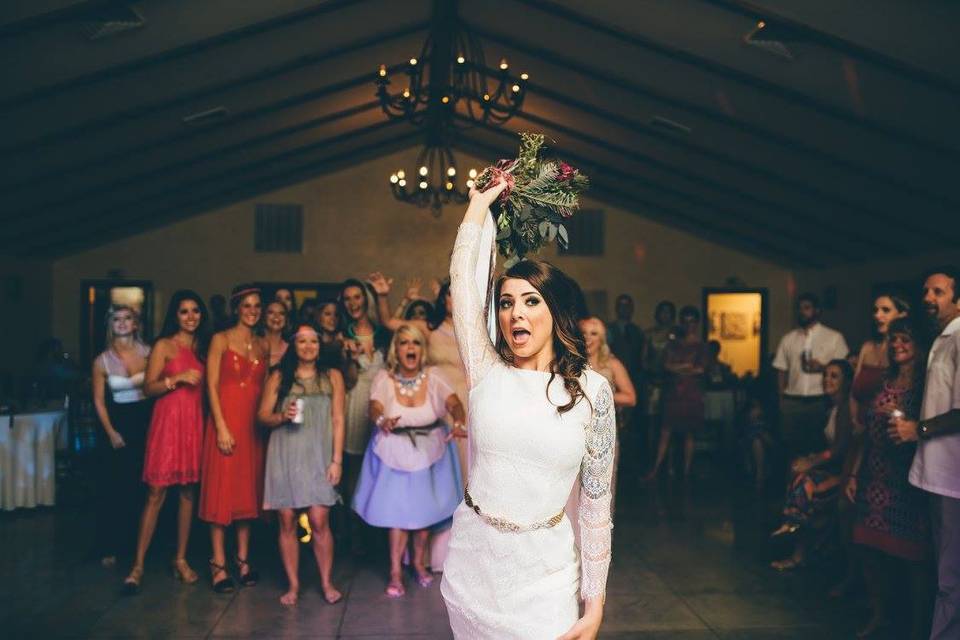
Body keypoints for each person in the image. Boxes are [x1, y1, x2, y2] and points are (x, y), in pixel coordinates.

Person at [440, 181, 613, 639]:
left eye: (531, 301)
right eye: (506, 302)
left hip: (547, 578)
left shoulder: (593, 392)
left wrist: (593, 607)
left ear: (555, 312)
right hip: (472, 568)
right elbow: (463, 282)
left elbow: (596, 506)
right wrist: (478, 205)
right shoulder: (486, 371)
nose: (516, 313)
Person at [352, 323, 465, 597]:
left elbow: (452, 402)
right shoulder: (384, 378)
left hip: (430, 450)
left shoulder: (434, 375)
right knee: (398, 518)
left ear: (421, 349)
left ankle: (417, 563)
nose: (410, 348)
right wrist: (381, 420)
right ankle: (394, 571)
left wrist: (459, 419)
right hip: (394, 451)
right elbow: (374, 406)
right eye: (403, 343)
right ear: (396, 350)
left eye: (414, 343)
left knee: (423, 516)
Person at [846, 319, 929, 639]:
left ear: (918, 344)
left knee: (912, 555)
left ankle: (918, 624)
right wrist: (854, 472)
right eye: (893, 339)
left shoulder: (925, 384)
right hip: (874, 473)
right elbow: (863, 432)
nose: (897, 344)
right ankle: (880, 614)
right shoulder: (883, 380)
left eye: (904, 338)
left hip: (906, 476)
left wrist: (907, 420)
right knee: (868, 546)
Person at [124, 290, 210, 593]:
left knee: (188, 493)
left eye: (195, 311)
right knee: (155, 493)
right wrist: (177, 379)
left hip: (194, 424)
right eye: (184, 311)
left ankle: (181, 559)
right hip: (167, 424)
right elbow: (148, 388)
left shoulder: (204, 346)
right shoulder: (164, 345)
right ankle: (138, 566)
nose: (191, 317)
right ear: (175, 315)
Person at [891, 266, 960, 640]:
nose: (928, 299)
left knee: (949, 577)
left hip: (953, 478)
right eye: (926, 292)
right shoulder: (943, 338)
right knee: (944, 571)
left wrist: (916, 429)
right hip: (939, 473)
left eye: (938, 292)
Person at [258, 323, 346, 606]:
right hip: (285, 453)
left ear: (320, 346)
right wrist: (282, 415)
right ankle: (293, 585)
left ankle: (326, 582)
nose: (308, 346)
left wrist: (337, 460)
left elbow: (338, 420)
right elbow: (261, 416)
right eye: (302, 341)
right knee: (286, 520)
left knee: (320, 520)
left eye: (314, 341)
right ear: (293, 346)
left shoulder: (332, 376)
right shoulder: (279, 376)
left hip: (319, 454)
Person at [199, 285, 269, 592]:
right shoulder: (221, 339)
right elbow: (211, 386)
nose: (252, 310)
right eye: (247, 306)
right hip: (226, 423)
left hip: (253, 426)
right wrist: (221, 427)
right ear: (236, 308)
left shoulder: (263, 344)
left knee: (246, 493)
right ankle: (218, 563)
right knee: (221, 493)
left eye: (257, 306)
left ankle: (243, 560)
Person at [770, 359, 854, 570]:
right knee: (796, 469)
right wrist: (808, 459)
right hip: (831, 467)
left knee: (805, 482)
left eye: (834, 376)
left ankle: (793, 526)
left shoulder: (845, 408)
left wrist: (812, 462)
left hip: (846, 471)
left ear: (846, 382)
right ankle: (795, 533)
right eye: (825, 375)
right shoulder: (829, 407)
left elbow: (839, 450)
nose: (827, 380)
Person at [91, 305, 151, 568]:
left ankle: (142, 546)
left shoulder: (149, 353)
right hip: (117, 425)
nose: (123, 323)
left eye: (128, 319)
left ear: (136, 324)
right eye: (117, 319)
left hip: (146, 421)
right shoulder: (101, 361)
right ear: (110, 325)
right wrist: (111, 432)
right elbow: (99, 401)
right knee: (115, 486)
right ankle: (111, 545)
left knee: (144, 485)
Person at [339, 278, 390, 554]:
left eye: (357, 297)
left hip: (381, 404)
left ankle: (378, 534)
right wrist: (348, 356)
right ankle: (353, 534)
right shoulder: (342, 334)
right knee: (354, 471)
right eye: (347, 299)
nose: (353, 303)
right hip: (355, 404)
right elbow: (347, 381)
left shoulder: (382, 334)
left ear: (365, 299)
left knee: (380, 469)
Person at [773, 293, 850, 457]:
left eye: (806, 308)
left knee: (817, 447)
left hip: (821, 401)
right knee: (789, 450)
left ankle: (814, 482)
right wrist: (781, 400)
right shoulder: (788, 339)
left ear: (817, 311)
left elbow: (845, 369)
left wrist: (822, 367)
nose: (801, 312)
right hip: (792, 402)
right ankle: (792, 482)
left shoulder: (834, 337)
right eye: (799, 308)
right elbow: (781, 370)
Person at [578, 316, 636, 510]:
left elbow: (630, 397)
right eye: (584, 333)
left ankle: (599, 538)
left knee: (601, 492)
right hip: (576, 432)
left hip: (603, 435)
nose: (588, 338)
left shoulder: (611, 364)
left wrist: (600, 396)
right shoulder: (571, 363)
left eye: (594, 334)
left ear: (602, 339)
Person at [646, 306, 707, 480]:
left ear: (697, 323)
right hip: (673, 391)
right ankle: (656, 469)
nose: (689, 325)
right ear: (681, 323)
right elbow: (666, 365)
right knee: (666, 431)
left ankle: (686, 472)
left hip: (691, 393)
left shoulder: (701, 346)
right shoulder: (673, 344)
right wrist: (686, 367)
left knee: (689, 433)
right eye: (685, 321)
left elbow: (701, 369)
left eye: (692, 322)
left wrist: (678, 368)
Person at [851, 292, 910, 428]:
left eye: (885, 310)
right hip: (859, 426)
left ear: (902, 315)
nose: (877, 315)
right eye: (875, 310)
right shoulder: (867, 348)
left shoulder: (904, 351)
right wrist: (854, 421)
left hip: (887, 428)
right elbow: (853, 393)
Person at [642, 301, 676, 455]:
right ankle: (650, 457)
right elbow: (643, 359)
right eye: (662, 311)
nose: (665, 315)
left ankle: (671, 462)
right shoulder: (649, 334)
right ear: (657, 314)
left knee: (672, 422)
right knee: (652, 421)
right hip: (653, 383)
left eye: (668, 311)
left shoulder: (678, 334)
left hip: (674, 382)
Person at [607, 294, 644, 389]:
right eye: (621, 306)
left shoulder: (638, 331)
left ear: (632, 309)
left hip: (635, 378)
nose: (624, 309)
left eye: (627, 306)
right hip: (614, 376)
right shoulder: (609, 330)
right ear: (616, 308)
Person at [264, 301, 289, 368]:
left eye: (281, 313)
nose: (276, 316)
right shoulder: (254, 345)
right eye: (271, 312)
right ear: (264, 317)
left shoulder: (291, 350)